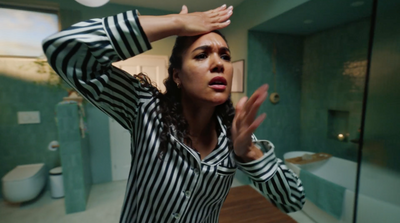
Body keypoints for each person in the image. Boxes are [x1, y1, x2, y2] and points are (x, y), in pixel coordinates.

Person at [42, 4, 305, 223]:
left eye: (225, 56)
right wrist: (175, 23)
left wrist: (248, 153)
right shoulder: (144, 107)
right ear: (177, 75)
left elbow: (293, 200)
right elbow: (65, 49)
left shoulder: (235, 133)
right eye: (202, 55)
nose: (218, 64)